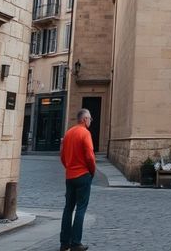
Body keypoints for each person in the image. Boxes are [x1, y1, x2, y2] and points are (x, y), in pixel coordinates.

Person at [60, 108, 96, 251]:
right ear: (85, 119)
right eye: (90, 119)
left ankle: (64, 243)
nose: (90, 122)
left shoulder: (68, 133)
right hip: (83, 175)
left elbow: (62, 156)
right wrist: (91, 172)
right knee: (81, 209)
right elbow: (90, 156)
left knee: (68, 209)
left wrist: (69, 167)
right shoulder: (85, 133)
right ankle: (76, 243)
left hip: (70, 176)